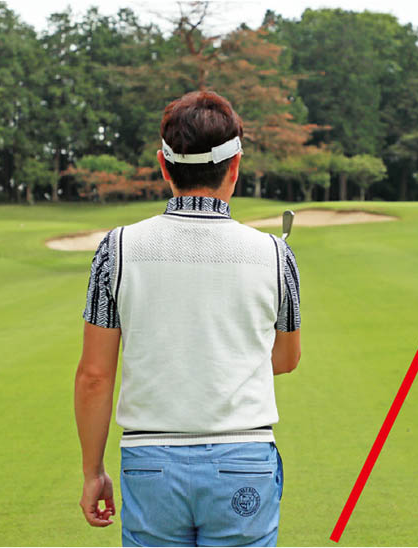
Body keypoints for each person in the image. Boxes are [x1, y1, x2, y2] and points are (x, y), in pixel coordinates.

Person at [74, 90, 301, 547]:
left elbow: (95, 376)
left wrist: (93, 471)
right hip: (243, 458)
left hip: (150, 462)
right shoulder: (276, 254)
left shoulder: (116, 249)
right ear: (235, 167)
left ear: (164, 165)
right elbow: (285, 359)